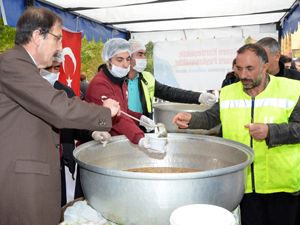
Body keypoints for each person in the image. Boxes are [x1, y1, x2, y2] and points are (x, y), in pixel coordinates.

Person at [0, 7, 120, 225]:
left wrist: (92, 128)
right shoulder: (12, 64)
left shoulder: (24, 67)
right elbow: (58, 109)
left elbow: (57, 105)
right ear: (37, 36)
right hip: (20, 182)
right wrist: (105, 113)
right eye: (57, 39)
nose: (61, 46)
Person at [172, 43, 300, 225]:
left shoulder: (293, 90)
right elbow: (211, 117)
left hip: (282, 186)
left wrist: (271, 131)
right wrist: (191, 119)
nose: (243, 75)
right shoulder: (229, 92)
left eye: (250, 69)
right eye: (238, 68)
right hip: (243, 185)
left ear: (264, 67)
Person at [41, 54, 111, 206]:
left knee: (61, 203)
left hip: (62, 160)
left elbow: (77, 122)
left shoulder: (65, 91)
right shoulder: (29, 92)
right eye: (48, 68)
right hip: (38, 161)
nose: (53, 72)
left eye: (56, 68)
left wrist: (92, 131)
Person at [85, 38, 167, 151]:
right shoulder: (100, 84)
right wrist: (139, 137)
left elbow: (123, 110)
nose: (125, 65)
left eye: (128, 59)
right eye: (119, 60)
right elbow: (118, 117)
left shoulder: (120, 81)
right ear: (108, 61)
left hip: (114, 143)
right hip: (99, 145)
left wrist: (139, 118)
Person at [127, 39, 216, 119]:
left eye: (144, 54)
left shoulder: (147, 77)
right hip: (120, 132)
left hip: (142, 130)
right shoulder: (117, 81)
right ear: (129, 57)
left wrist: (199, 97)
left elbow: (170, 93)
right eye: (140, 54)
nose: (144, 58)